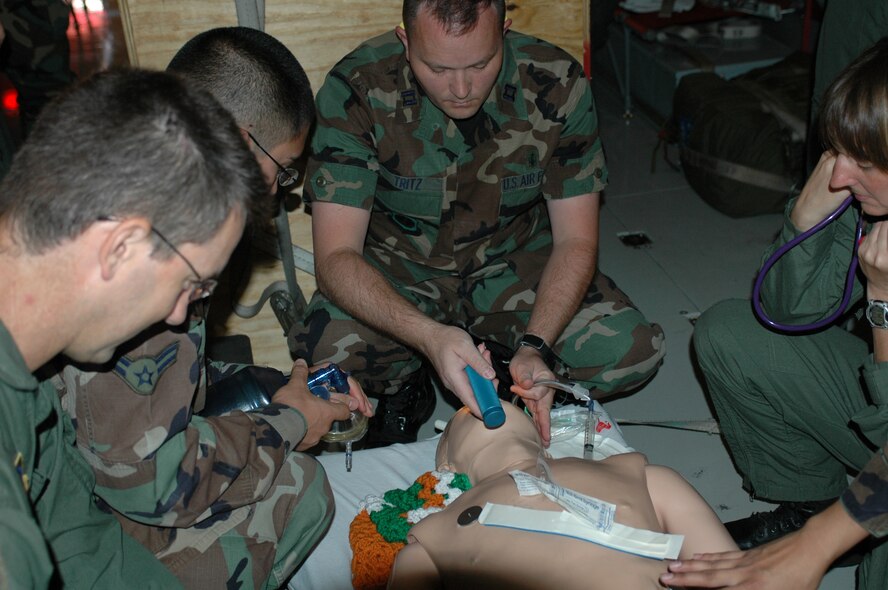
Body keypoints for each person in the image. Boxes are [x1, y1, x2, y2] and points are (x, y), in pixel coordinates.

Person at [54, 28, 373, 589]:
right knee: (298, 488)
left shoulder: (122, 192)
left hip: (80, 477)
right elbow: (156, 485)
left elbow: (159, 383)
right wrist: (291, 422)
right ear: (241, 144)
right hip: (74, 531)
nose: (278, 191)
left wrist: (281, 389)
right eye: (284, 169)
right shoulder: (157, 256)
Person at [290, 0, 665, 447]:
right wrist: (429, 337)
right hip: (401, 268)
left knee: (630, 350)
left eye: (481, 64)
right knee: (326, 354)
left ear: (504, 31)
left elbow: (576, 240)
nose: (462, 89)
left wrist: (537, 345)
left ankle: (512, 369)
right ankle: (405, 384)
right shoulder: (357, 88)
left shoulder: (556, 82)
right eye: (438, 68)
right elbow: (336, 257)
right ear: (405, 41)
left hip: (513, 262)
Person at [0, 67, 267, 587]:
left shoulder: (30, 377)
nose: (178, 315)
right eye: (191, 285)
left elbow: (83, 545)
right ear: (120, 247)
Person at [692, 37, 888, 589]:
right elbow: (790, 314)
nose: (839, 176)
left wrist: (882, 305)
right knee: (729, 334)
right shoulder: (873, 201)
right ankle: (810, 501)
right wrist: (804, 223)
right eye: (838, 152)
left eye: (863, 162)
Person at [384, 403, 737, 588]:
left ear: (545, 447)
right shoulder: (431, 540)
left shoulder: (644, 477)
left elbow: (733, 575)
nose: (483, 404)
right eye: (464, 415)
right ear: (445, 469)